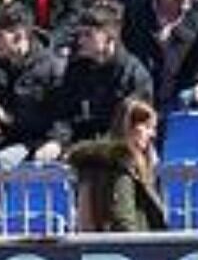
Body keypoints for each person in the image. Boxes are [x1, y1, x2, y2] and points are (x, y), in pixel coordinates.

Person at [67, 99, 168, 233]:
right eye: (148, 127)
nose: (152, 134)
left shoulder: (94, 163)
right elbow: (123, 219)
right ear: (130, 127)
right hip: (129, 249)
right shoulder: (121, 164)